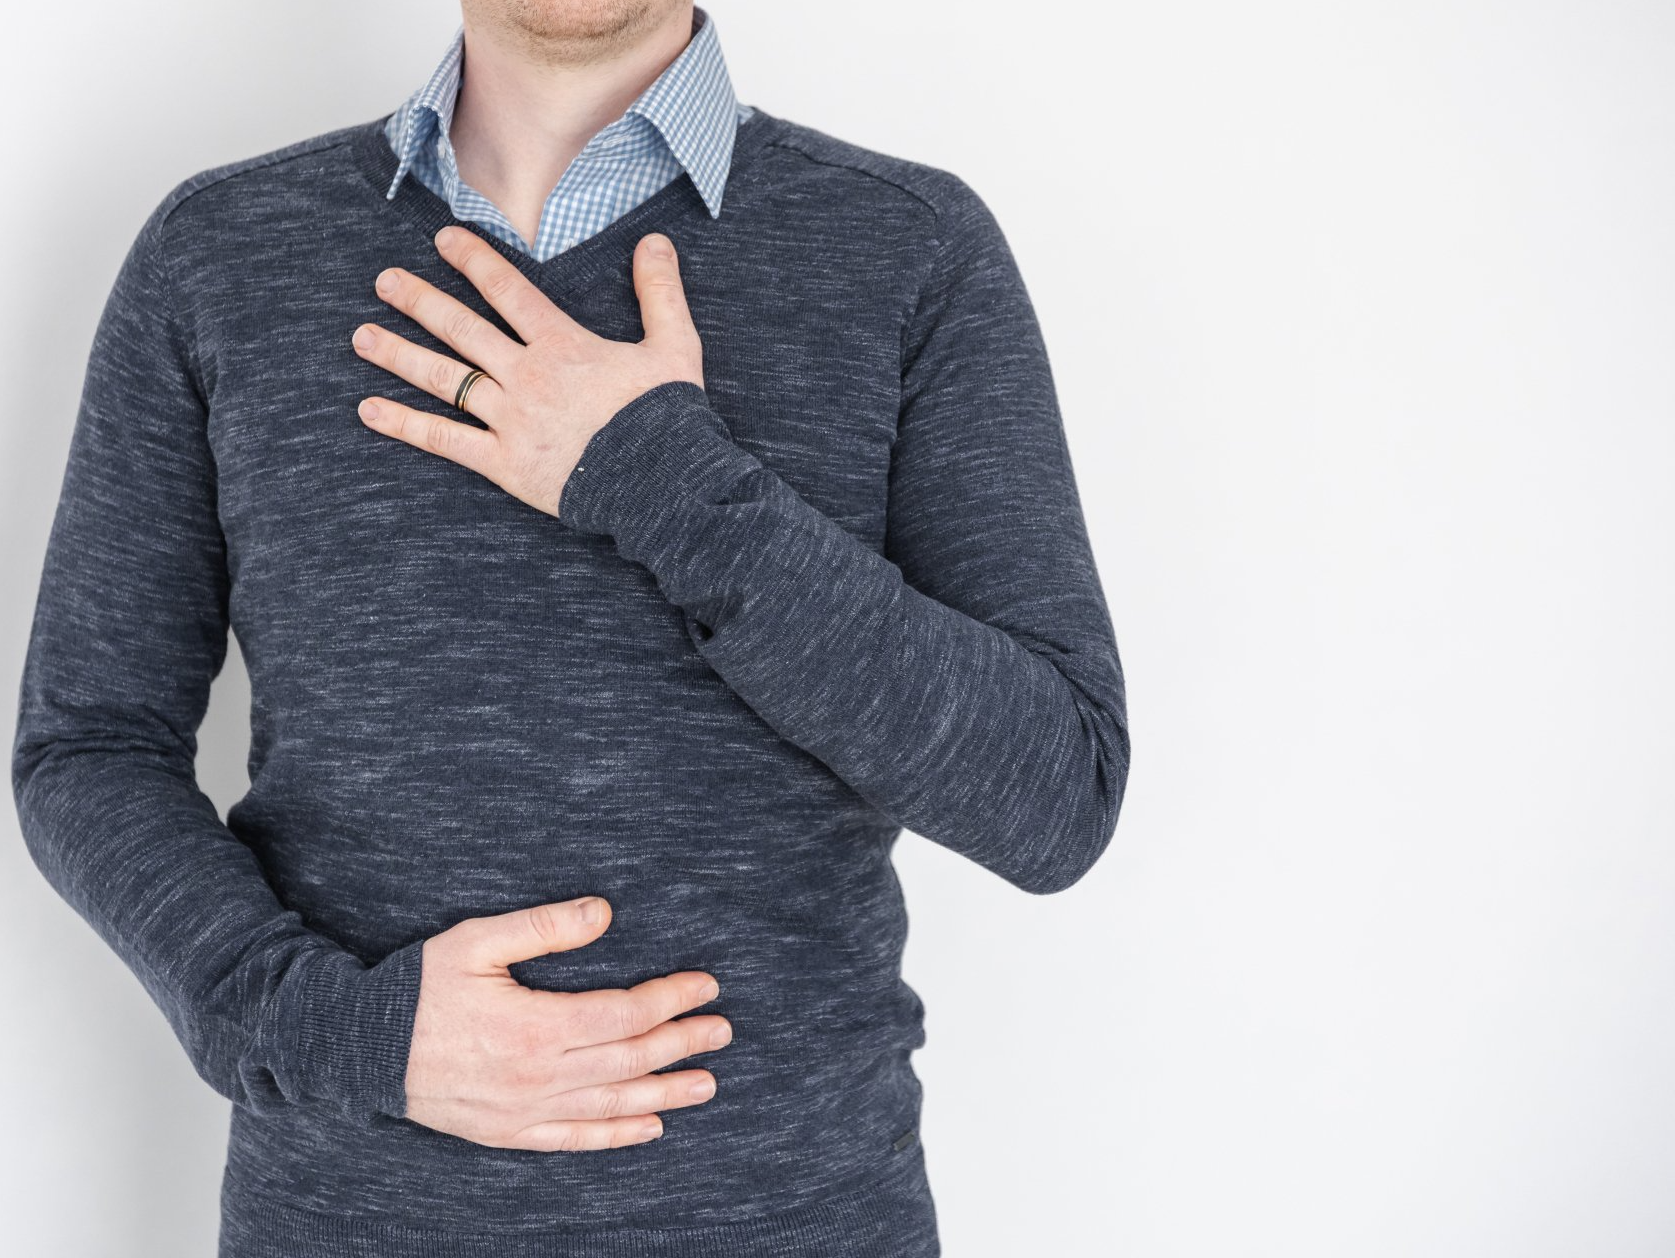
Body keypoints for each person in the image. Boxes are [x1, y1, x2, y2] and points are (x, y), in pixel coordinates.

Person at [11, 2, 1131, 1254]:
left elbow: (1055, 793)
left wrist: (657, 479)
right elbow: (89, 747)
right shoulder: (218, 254)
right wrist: (335, 1027)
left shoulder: (909, 252)